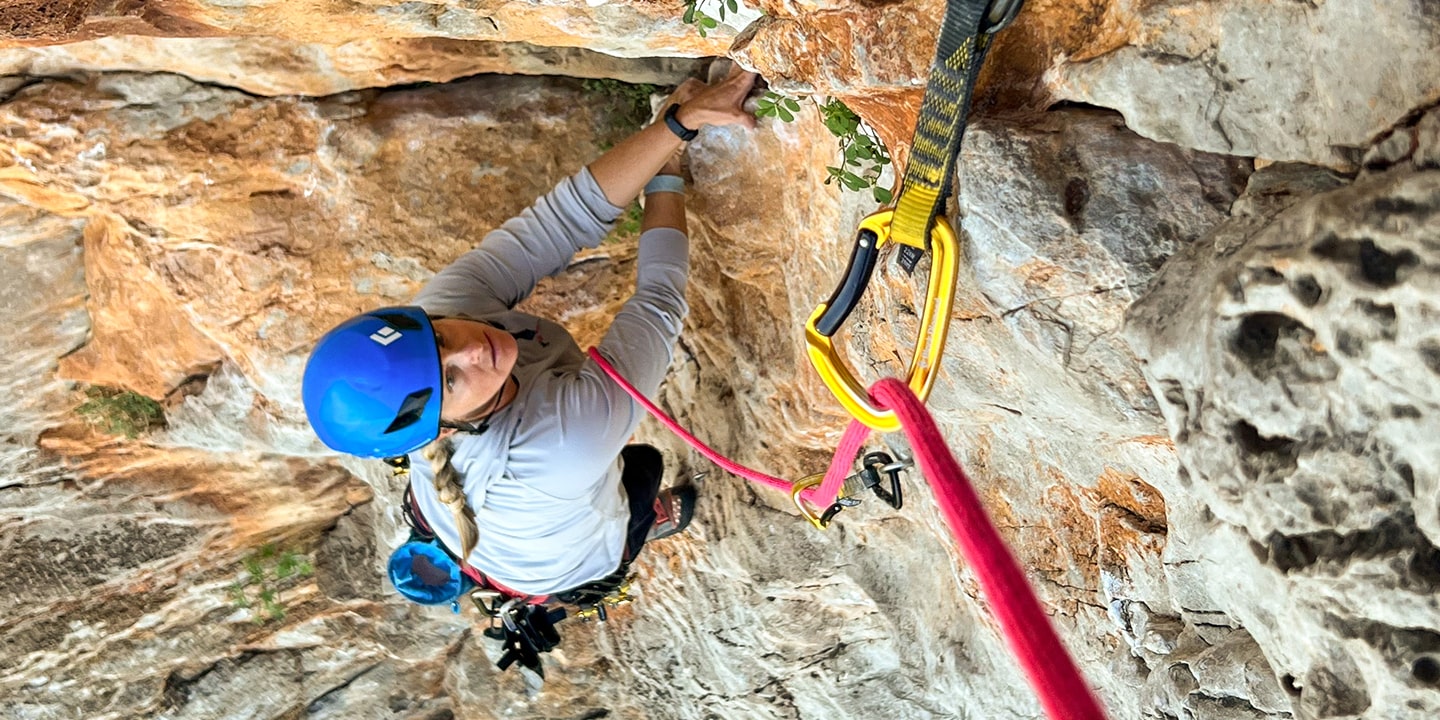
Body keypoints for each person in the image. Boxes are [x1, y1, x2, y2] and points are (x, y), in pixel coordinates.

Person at [301, 65, 759, 605]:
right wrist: (668, 171)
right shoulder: (562, 443)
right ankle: (641, 527)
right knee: (641, 472)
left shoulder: (439, 313)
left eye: (440, 340)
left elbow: (561, 222)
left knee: (616, 461)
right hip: (558, 564)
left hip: (476, 522)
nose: (472, 348)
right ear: (444, 431)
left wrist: (675, 128)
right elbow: (658, 302)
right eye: (452, 379)